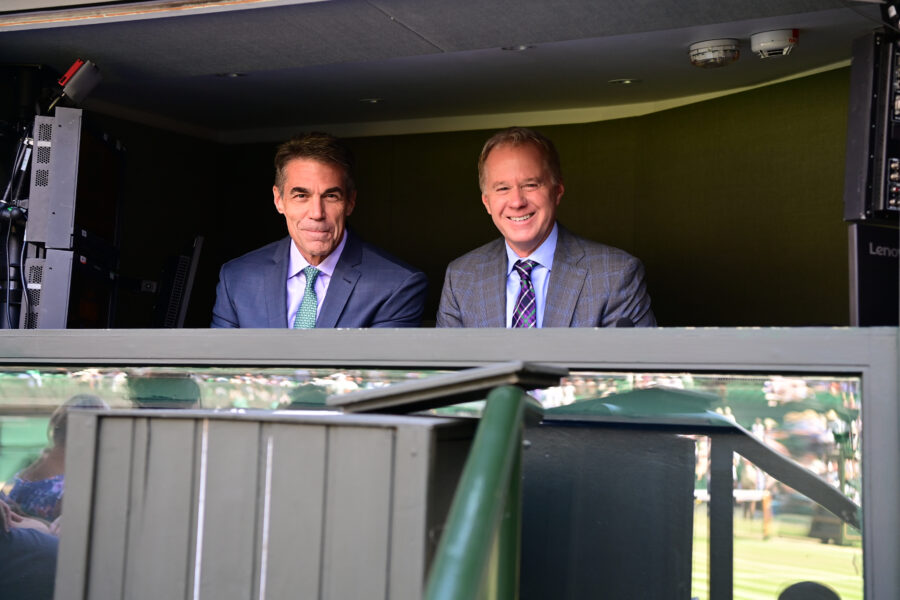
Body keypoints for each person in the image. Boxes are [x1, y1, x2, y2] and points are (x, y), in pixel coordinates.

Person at [437, 126, 655, 328]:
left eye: (530, 185)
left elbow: (630, 366)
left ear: (557, 191)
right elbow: (448, 366)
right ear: (487, 202)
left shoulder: (616, 275)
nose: (517, 201)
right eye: (503, 188)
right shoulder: (460, 278)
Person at [212, 132, 428, 328]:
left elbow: (379, 370)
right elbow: (219, 364)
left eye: (331, 196)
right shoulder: (237, 277)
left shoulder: (396, 284)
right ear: (279, 200)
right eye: (301, 196)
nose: (317, 213)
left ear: (350, 202)